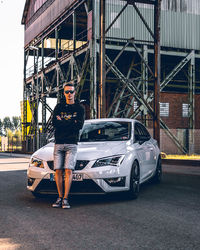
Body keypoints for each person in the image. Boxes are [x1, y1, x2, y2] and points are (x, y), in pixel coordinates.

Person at [52, 82, 85, 209]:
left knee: (68, 170)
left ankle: (66, 199)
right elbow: (55, 123)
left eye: (71, 92)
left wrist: (63, 122)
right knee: (58, 170)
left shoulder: (79, 108)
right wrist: (71, 122)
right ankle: (59, 197)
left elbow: (79, 125)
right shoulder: (58, 107)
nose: (69, 94)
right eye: (67, 92)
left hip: (72, 143)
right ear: (64, 93)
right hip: (58, 143)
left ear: (75, 93)